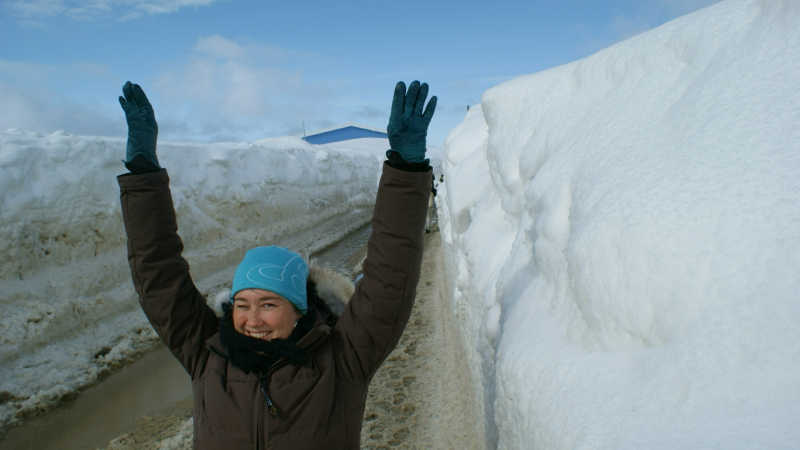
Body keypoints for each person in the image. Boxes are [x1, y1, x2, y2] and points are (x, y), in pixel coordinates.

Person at [117, 80, 436, 449]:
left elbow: (389, 279)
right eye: (242, 304)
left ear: (300, 309)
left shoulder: (342, 360)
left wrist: (406, 170)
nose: (252, 320)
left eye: (269, 304)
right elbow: (159, 275)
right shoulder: (209, 355)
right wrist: (142, 175)